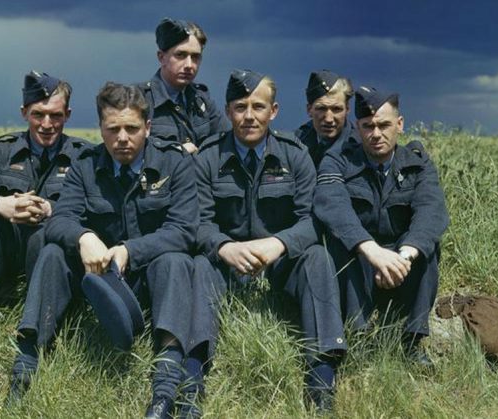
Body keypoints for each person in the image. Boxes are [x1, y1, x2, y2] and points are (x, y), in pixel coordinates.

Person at [6, 83, 199, 419]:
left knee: (176, 261)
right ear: (101, 129)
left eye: (132, 128)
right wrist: (83, 237)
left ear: (148, 127)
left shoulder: (175, 164)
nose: (122, 138)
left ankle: (164, 392)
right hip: (96, 282)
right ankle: (25, 367)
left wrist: (129, 251)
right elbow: (60, 219)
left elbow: (184, 231)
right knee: (53, 251)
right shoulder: (85, 165)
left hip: (149, 281)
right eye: (113, 129)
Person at [192, 70, 346, 414]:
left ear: (273, 111)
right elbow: (197, 224)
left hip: (279, 264)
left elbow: (311, 221)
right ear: (229, 111)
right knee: (199, 265)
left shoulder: (295, 155)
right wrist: (223, 247)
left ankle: (321, 378)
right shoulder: (207, 158)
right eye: (240, 107)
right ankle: (194, 375)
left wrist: (279, 244)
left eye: (258, 107)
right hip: (227, 265)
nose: (249, 116)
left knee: (318, 257)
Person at [313, 86, 449, 368]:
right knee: (341, 241)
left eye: (384, 125)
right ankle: (358, 337)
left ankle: (411, 341)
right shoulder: (338, 161)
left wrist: (403, 258)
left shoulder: (417, 163)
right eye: (368, 126)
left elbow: (431, 211)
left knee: (428, 246)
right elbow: (332, 205)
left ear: (399, 124)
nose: (376, 134)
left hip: (401, 265)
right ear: (357, 127)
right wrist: (372, 252)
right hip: (360, 264)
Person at [0, 71, 89, 339]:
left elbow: (94, 212)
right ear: (24, 112)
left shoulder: (83, 156)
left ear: (68, 115)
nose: (47, 124)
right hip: (7, 252)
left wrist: (51, 210)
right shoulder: (2, 151)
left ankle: (42, 318)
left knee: (46, 232)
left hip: (51, 255)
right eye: (38, 114)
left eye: (56, 115)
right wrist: (0, 205)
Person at [138, 18, 229, 154]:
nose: (189, 65)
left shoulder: (202, 99)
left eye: (195, 57)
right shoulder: (139, 100)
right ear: (161, 57)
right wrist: (176, 152)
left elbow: (228, 141)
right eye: (180, 55)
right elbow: (129, 153)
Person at [295, 70, 359, 168]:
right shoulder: (295, 144)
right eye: (321, 108)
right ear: (309, 110)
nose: (329, 119)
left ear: (347, 109)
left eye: (336, 109)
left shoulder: (361, 148)